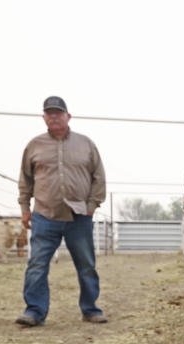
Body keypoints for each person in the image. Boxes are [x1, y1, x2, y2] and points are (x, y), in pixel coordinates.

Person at [16, 96, 107, 326]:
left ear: (68, 116)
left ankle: (90, 309)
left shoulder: (86, 144)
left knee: (86, 265)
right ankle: (34, 311)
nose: (54, 116)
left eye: (58, 112)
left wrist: (91, 206)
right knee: (37, 264)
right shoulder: (34, 146)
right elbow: (25, 180)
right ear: (44, 117)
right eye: (49, 113)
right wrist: (25, 208)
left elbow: (99, 177)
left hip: (79, 216)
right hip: (45, 216)